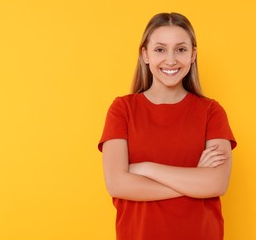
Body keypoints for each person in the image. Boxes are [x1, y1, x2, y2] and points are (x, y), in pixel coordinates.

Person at [98, 12, 237, 240]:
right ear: (145, 55)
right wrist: (194, 183)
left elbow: (217, 183)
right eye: (160, 49)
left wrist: (145, 168)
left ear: (193, 55)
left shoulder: (212, 112)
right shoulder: (122, 109)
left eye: (181, 49)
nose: (171, 60)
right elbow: (117, 184)